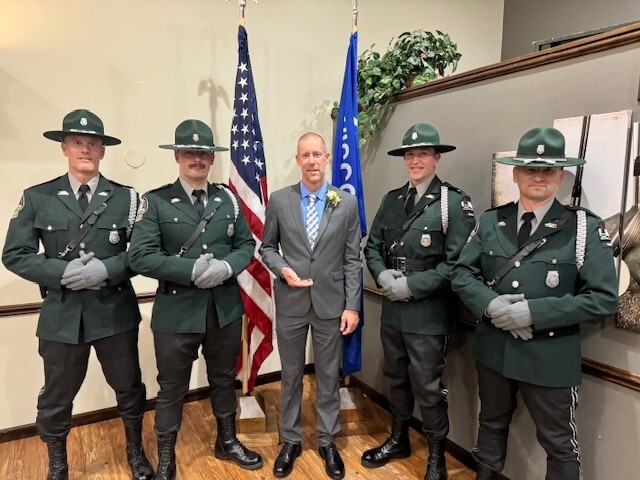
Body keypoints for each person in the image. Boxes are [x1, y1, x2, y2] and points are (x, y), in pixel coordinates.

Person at [451, 127, 619, 480]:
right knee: (490, 425)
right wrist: (491, 305)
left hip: (549, 356)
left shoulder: (583, 228)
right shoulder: (489, 221)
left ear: (560, 175)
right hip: (495, 352)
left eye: (548, 169)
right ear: (515, 174)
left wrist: (533, 312)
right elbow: (462, 275)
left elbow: (603, 298)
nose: (538, 176)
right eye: (529, 168)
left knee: (559, 444)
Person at [2, 109, 153, 480]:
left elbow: (143, 253)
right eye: (77, 143)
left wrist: (109, 268)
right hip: (62, 314)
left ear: (103, 151)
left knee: (129, 387)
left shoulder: (127, 199)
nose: (85, 149)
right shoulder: (38, 198)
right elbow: (14, 254)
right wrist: (61, 271)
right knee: (56, 395)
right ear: (64, 148)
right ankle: (58, 463)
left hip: (114, 311)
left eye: (92, 143)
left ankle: (135, 450)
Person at [128, 119, 262, 480]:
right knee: (172, 387)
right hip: (177, 313)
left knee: (223, 378)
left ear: (211, 158)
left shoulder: (228, 199)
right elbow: (140, 256)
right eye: (190, 152)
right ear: (177, 156)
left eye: (204, 153)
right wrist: (190, 271)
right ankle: (167, 456)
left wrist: (225, 267)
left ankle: (228, 441)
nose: (198, 159)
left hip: (224, 309)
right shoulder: (154, 202)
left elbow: (246, 245)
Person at [362, 123, 476, 480]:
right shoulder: (392, 200)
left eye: (423, 153)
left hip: (428, 311)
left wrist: (412, 287)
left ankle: (436, 455)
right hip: (394, 310)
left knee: (427, 385)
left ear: (436, 158)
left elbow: (458, 264)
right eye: (409, 154)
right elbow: (372, 247)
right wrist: (381, 276)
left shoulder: (453, 203)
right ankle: (398, 438)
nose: (415, 160)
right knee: (395, 376)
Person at [259, 132, 361, 479]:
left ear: (327, 157)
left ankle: (327, 440)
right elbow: (267, 248)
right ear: (298, 159)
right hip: (291, 302)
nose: (313, 161)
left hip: (332, 305)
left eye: (318, 154)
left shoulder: (345, 203)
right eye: (306, 155)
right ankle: (290, 440)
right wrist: (282, 268)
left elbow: (352, 259)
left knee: (329, 375)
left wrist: (352, 306)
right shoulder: (279, 200)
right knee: (290, 376)